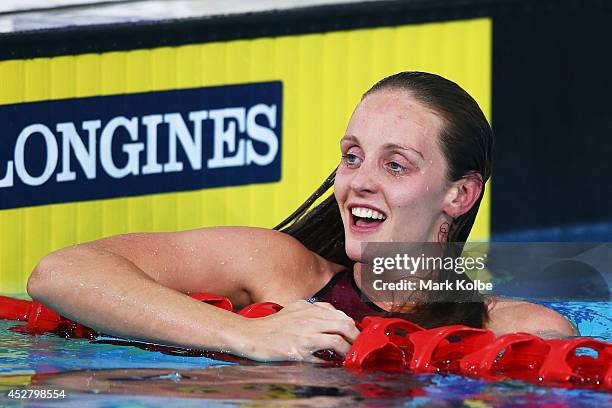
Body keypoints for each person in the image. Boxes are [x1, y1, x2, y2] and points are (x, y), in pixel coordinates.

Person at [26, 72, 576, 363]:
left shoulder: (519, 334)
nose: (359, 179)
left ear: (459, 195)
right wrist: (247, 335)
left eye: (395, 164)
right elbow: (60, 273)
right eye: (352, 155)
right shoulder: (278, 272)